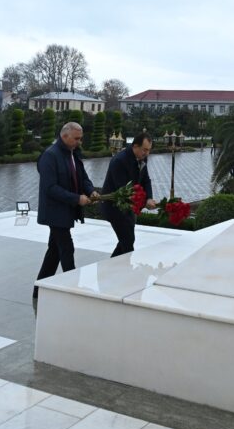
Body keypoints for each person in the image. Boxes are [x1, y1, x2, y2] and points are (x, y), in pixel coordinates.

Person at [33, 122, 98, 299]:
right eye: (77, 138)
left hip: (66, 211)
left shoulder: (73, 154)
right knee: (66, 248)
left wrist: (91, 190)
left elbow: (83, 178)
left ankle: (38, 290)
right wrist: (76, 198)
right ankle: (74, 287)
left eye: (80, 138)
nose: (79, 142)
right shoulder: (50, 156)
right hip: (55, 212)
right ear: (65, 136)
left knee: (54, 252)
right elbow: (50, 188)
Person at [101, 131, 156, 257]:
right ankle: (125, 271)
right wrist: (143, 202)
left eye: (149, 150)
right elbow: (124, 191)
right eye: (144, 150)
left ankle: (106, 269)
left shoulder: (141, 158)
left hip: (128, 207)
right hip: (115, 207)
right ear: (135, 146)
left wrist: (149, 198)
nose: (147, 153)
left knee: (126, 240)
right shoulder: (119, 161)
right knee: (127, 242)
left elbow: (146, 180)